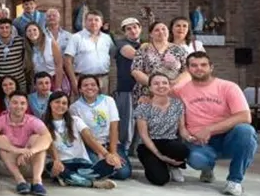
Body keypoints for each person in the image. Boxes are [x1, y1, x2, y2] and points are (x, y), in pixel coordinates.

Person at [174, 52, 256, 196]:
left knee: (246, 131)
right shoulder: (180, 90)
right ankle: (208, 168)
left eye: (203, 65)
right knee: (197, 160)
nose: (199, 68)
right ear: (187, 69)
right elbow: (160, 95)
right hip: (198, 142)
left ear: (211, 67)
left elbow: (245, 116)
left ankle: (234, 181)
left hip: (228, 138)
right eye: (194, 65)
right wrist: (146, 98)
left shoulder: (228, 87)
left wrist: (209, 129)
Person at [43, 91, 118, 189]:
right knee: (53, 167)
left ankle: (70, 178)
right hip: (62, 163)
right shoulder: (43, 125)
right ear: (50, 104)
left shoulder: (75, 120)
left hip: (81, 163)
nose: (60, 105)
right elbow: (50, 145)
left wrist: (107, 154)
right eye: (57, 102)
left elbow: (89, 138)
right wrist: (56, 160)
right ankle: (92, 183)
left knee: (110, 164)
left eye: (64, 103)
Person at [0, 91, 52, 196]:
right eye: (15, 103)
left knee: (37, 139)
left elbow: (47, 137)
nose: (19, 106)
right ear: (9, 104)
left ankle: (37, 181)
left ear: (26, 106)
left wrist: (30, 151)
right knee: (2, 139)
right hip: (6, 165)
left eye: (22, 103)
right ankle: (20, 180)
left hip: (28, 163)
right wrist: (17, 150)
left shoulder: (32, 120)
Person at [69, 75, 131, 180]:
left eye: (93, 85)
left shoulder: (108, 101)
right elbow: (85, 136)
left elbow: (114, 127)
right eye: (85, 85)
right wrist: (101, 152)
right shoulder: (75, 107)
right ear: (80, 89)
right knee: (97, 166)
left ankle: (106, 170)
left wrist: (113, 152)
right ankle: (104, 170)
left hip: (111, 143)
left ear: (98, 87)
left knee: (123, 173)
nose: (90, 87)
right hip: (92, 146)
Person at [134, 74, 192, 186]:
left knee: (182, 149)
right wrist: (159, 155)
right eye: (156, 83)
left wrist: (190, 138)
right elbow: (144, 136)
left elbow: (182, 129)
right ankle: (159, 163)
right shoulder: (143, 107)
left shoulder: (177, 104)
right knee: (160, 180)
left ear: (169, 86)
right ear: (150, 88)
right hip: (149, 146)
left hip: (169, 143)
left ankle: (174, 165)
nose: (161, 86)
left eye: (164, 83)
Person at [130, 21, 188, 105]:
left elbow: (188, 71)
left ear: (168, 31)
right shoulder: (143, 49)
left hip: (173, 93)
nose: (161, 32)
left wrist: (175, 82)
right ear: (151, 34)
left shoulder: (179, 50)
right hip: (147, 94)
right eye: (157, 30)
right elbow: (135, 71)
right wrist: (155, 85)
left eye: (163, 29)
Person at [64, 10, 115, 95]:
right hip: (83, 80)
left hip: (103, 79)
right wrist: (74, 81)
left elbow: (112, 54)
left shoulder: (107, 38)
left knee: (102, 107)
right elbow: (67, 60)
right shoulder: (76, 38)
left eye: (96, 20)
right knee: (82, 107)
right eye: (90, 20)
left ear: (101, 23)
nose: (93, 22)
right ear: (85, 22)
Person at [114, 17, 142, 154]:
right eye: (128, 29)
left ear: (140, 29)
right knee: (127, 121)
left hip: (143, 89)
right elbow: (134, 55)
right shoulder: (121, 43)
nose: (132, 30)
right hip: (127, 87)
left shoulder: (145, 44)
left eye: (135, 27)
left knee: (141, 121)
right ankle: (123, 150)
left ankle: (136, 150)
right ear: (124, 32)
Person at [0, 18, 30, 92]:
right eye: (1, 28)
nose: (4, 30)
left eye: (7, 27)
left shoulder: (20, 41)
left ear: (11, 29)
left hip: (19, 80)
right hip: (1, 82)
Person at [24, 22, 63, 91]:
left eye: (34, 30)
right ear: (26, 34)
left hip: (53, 79)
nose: (32, 32)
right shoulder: (27, 48)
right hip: (38, 81)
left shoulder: (50, 43)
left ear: (39, 31)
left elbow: (59, 65)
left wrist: (58, 87)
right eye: (29, 31)